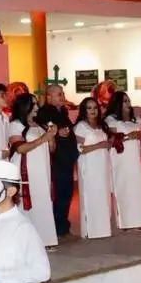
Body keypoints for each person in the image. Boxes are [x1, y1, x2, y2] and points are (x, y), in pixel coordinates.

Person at [7, 93, 59, 248]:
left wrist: (52, 135)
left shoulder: (40, 124)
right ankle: (27, 242)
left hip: (43, 170)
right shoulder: (16, 125)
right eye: (33, 104)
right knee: (27, 205)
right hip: (27, 172)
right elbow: (20, 148)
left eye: (37, 104)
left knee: (43, 203)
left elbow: (52, 148)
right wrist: (44, 138)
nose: (37, 107)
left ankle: (46, 239)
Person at [105, 91, 141, 231]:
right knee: (124, 188)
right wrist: (127, 137)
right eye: (124, 101)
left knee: (138, 189)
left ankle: (140, 220)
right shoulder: (111, 120)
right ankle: (125, 222)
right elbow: (112, 139)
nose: (128, 104)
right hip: (121, 159)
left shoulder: (135, 119)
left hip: (136, 158)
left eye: (128, 101)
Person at [74, 96, 114, 239]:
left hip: (102, 165)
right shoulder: (81, 126)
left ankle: (103, 228)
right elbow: (80, 149)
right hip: (89, 166)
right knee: (91, 195)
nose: (93, 111)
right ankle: (91, 229)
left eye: (95, 108)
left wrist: (109, 144)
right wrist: (100, 145)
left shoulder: (101, 126)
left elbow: (106, 144)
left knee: (103, 195)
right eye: (89, 108)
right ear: (84, 110)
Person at [44, 84, 79, 238]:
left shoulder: (63, 112)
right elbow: (45, 129)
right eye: (59, 94)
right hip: (57, 160)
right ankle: (57, 228)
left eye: (63, 93)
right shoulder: (45, 112)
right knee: (59, 195)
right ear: (49, 97)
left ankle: (63, 226)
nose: (62, 96)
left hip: (67, 159)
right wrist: (58, 132)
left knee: (67, 193)